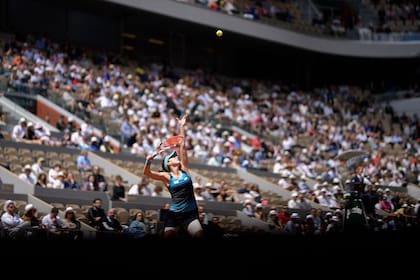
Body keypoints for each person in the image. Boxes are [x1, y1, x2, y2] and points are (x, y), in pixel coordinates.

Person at [143, 113, 203, 239]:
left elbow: (182, 144)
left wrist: (182, 126)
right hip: (174, 215)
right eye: (173, 157)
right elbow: (147, 173)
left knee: (199, 234)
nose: (177, 157)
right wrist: (148, 161)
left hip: (190, 214)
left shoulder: (185, 169)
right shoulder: (166, 176)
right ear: (168, 163)